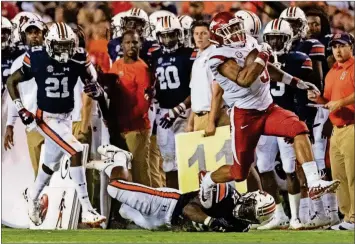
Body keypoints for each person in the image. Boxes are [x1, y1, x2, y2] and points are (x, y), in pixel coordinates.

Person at [198, 12, 340, 210]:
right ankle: (208, 179)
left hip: (268, 108)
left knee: (298, 128)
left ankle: (314, 182)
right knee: (240, 172)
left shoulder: (248, 41)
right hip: (244, 115)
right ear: (217, 35)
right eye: (228, 30)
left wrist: (297, 83)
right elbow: (244, 80)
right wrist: (263, 54)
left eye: (236, 26)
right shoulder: (217, 57)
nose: (235, 32)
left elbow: (267, 69)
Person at [6, 22, 106, 226]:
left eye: (66, 45)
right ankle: (87, 210)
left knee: (49, 166)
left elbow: (91, 81)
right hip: (46, 118)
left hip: (66, 118)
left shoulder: (78, 57)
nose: (63, 50)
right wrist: (21, 108)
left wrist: (93, 84)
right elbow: (11, 81)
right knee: (76, 150)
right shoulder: (36, 57)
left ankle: (32, 196)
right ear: (49, 43)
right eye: (59, 45)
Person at [86, 144, 275, 232]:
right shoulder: (224, 196)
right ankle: (119, 157)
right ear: (247, 198)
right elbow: (188, 209)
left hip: (166, 224)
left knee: (126, 211)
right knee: (115, 188)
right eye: (249, 208)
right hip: (167, 204)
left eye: (251, 215)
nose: (246, 213)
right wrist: (211, 221)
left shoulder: (242, 226)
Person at [308, 33, 354, 231]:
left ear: (351, 47)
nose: (337, 50)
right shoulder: (332, 72)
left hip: (352, 126)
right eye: (334, 46)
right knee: (339, 175)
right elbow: (328, 101)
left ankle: (354, 218)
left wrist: (341, 103)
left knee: (353, 174)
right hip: (337, 129)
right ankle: (346, 216)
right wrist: (317, 98)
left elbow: (340, 101)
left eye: (342, 46)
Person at [146, 15, 196, 189]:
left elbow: (195, 88)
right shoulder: (153, 55)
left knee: (187, 160)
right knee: (168, 162)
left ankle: (190, 200)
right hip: (163, 112)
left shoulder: (190, 54)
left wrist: (181, 108)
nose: (167, 40)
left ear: (179, 34)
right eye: (164, 35)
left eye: (171, 35)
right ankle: (174, 201)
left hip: (185, 112)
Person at [104, 30, 152, 187]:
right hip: (119, 128)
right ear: (121, 45)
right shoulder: (116, 65)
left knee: (139, 171)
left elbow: (142, 106)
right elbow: (110, 93)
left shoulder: (142, 69)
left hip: (135, 129)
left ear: (140, 45)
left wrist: (121, 122)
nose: (132, 45)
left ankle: (148, 205)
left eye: (135, 42)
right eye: (128, 42)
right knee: (121, 170)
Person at [187, 20, 229, 134]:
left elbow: (217, 92)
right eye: (196, 33)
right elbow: (196, 95)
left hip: (213, 116)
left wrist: (211, 122)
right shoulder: (198, 57)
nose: (199, 37)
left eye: (203, 33)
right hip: (199, 116)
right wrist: (191, 122)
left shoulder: (215, 55)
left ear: (211, 35)